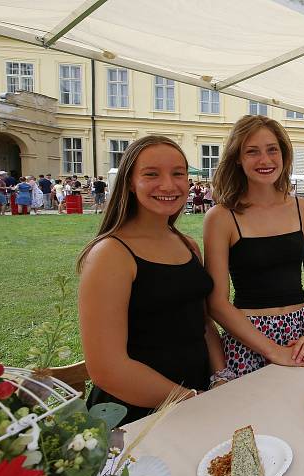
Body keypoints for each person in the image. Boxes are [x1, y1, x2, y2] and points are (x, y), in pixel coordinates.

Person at [76, 135, 227, 426]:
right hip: (136, 416)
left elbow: (203, 323)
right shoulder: (111, 254)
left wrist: (220, 377)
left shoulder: (187, 244)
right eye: (151, 174)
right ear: (130, 182)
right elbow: (107, 368)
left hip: (197, 399)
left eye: (178, 174)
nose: (169, 185)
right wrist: (188, 398)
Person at [204, 115, 304, 378]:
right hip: (249, 338)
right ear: (237, 158)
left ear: (283, 154)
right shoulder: (221, 217)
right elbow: (216, 302)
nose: (265, 160)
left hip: (300, 337)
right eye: (252, 152)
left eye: (272, 149)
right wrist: (272, 350)